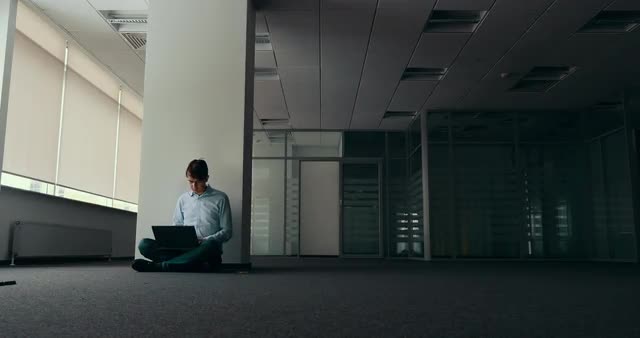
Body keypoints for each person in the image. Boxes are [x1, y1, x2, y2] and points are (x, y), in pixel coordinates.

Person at [132, 159, 232, 272]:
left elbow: (227, 232)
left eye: (197, 182)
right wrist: (176, 241)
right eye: (190, 181)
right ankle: (188, 263)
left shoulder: (220, 198)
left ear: (206, 178)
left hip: (205, 249)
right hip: (183, 249)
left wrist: (205, 240)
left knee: (212, 244)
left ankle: (161, 266)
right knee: (144, 244)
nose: (193, 186)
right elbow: (177, 226)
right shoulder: (183, 199)